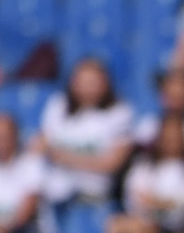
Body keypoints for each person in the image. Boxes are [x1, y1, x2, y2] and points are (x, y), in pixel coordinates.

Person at [34, 57, 134, 206]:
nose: (87, 87)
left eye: (93, 82)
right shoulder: (58, 105)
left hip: (94, 194)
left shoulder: (120, 112)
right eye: (83, 81)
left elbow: (114, 163)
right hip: (53, 191)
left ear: (105, 83)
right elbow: (39, 145)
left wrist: (65, 157)